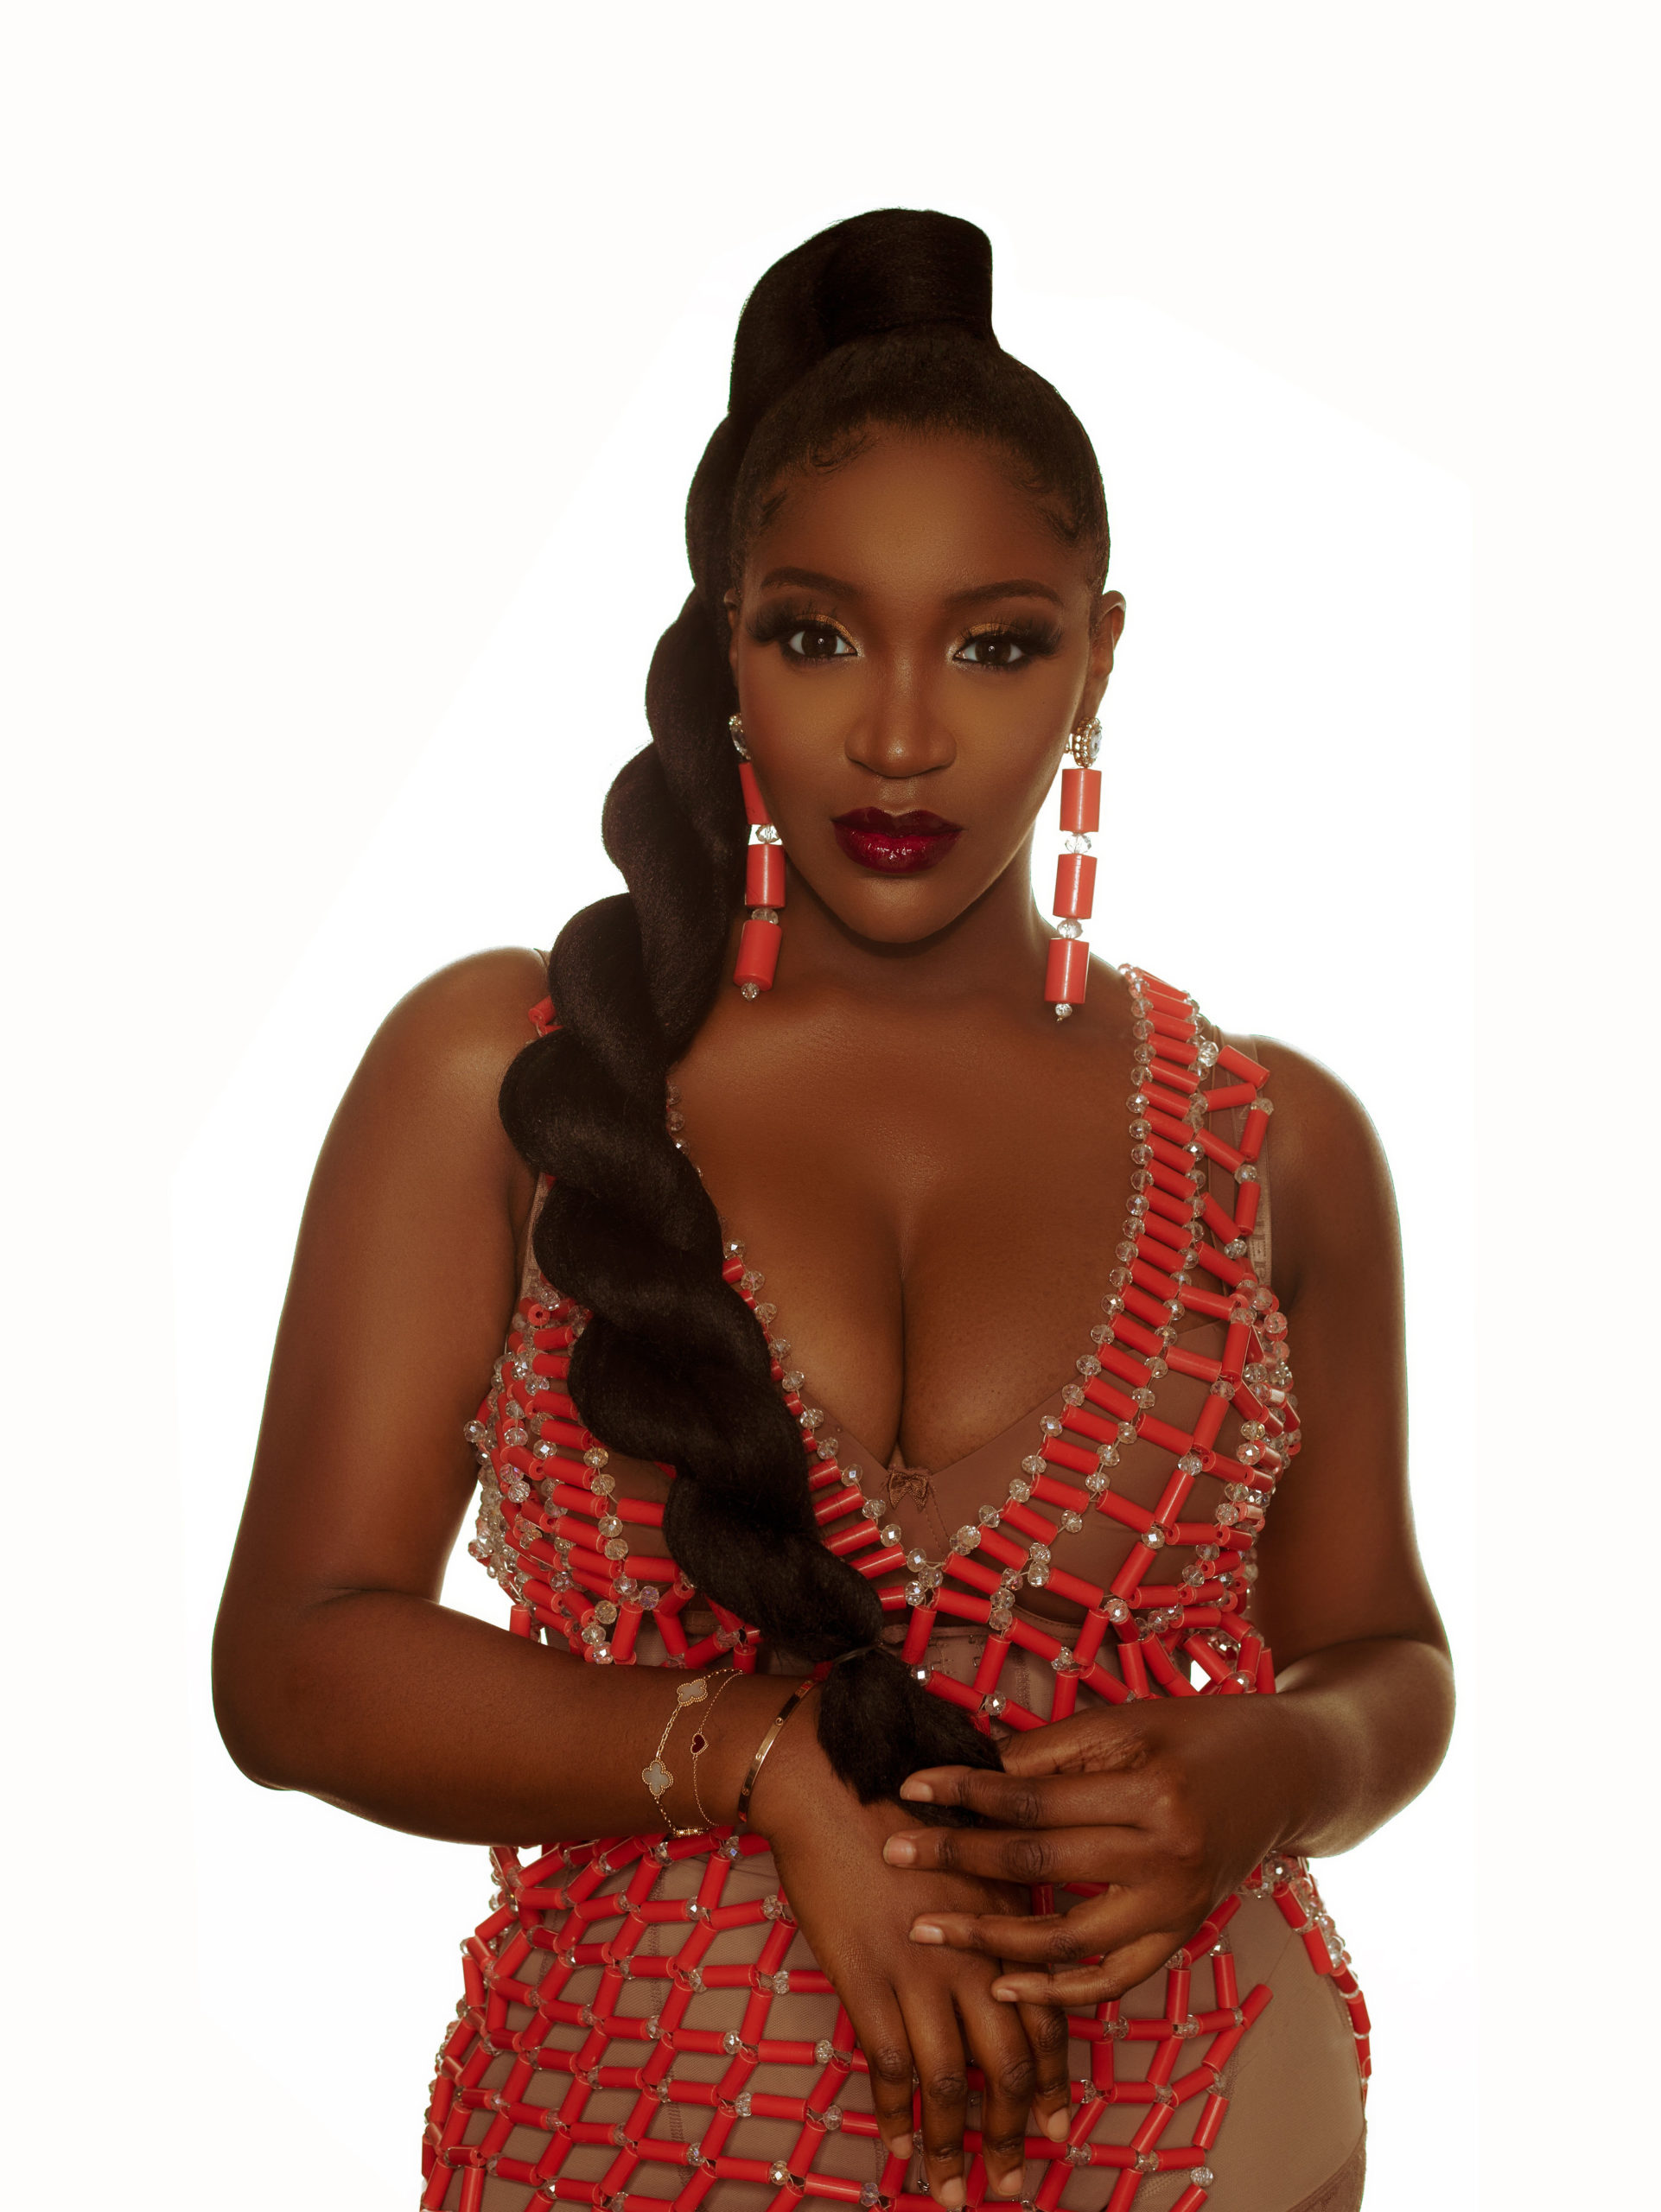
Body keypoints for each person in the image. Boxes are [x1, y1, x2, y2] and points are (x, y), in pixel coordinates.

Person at [214, 208, 1452, 2212]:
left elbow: (1384, 1648)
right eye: (816, 632)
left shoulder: (1274, 1138)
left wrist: (1282, 1764)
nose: (898, 733)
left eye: (993, 642)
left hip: (1208, 2136)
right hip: (618, 2143)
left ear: (1098, 653)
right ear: (724, 642)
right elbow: (292, 1661)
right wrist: (756, 1753)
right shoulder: (505, 1078)